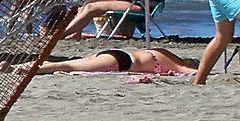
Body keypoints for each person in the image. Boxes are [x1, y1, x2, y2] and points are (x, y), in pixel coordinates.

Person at [23, 46, 196, 77]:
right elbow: (189, 72)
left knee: (75, 62)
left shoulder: (164, 55)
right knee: (67, 65)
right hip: (121, 61)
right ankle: (28, 70)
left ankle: (21, 66)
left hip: (117, 55)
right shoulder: (177, 64)